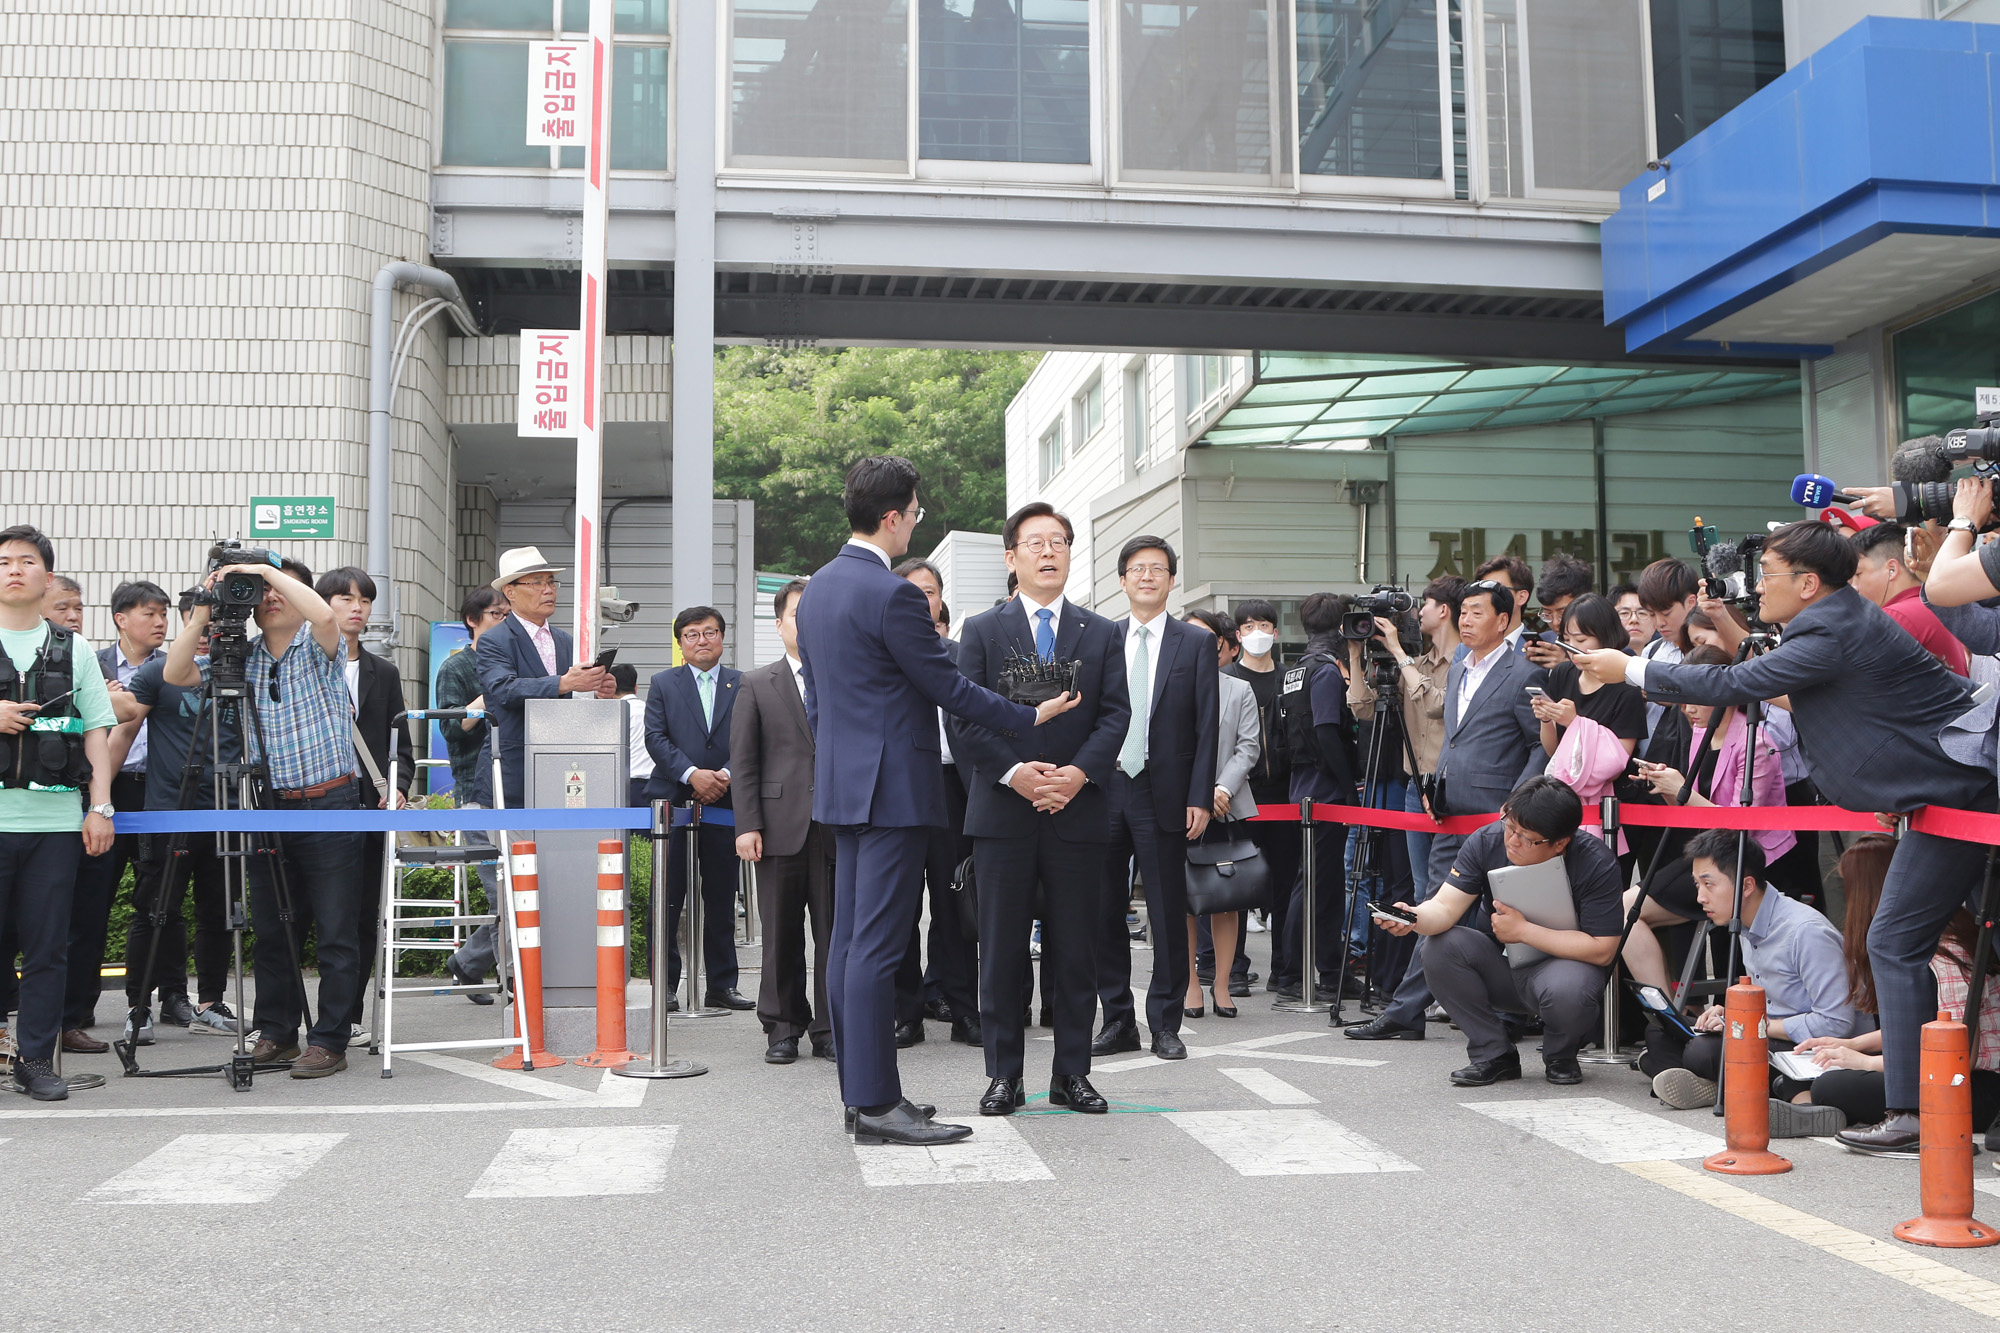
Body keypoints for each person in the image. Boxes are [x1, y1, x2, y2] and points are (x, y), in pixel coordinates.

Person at [1576, 520, 1992, 1156]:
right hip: (1950, 794)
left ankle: (1915, 1110)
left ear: (1807, 582)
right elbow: (1773, 677)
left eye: (1766, 575)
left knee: (1895, 940)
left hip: (1967, 792)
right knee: (1897, 940)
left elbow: (1738, 685)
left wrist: (1629, 669)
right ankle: (1914, 1109)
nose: (1757, 586)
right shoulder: (1832, 622)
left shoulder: (1833, 629)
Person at [795, 455, 1074, 1147]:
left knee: (848, 946)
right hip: (892, 788)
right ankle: (876, 1103)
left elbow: (822, 699)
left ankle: (867, 1096)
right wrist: (1027, 716)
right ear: (892, 517)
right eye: (914, 512)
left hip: (844, 787)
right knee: (877, 949)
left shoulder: (822, 587)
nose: (915, 521)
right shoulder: (890, 593)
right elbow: (944, 684)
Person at [955, 503, 1131, 1112]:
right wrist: (1015, 774)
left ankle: (1071, 1073)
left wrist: (1078, 775)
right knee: (1001, 949)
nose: (1048, 552)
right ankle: (1004, 1073)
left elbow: (1115, 715)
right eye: (1035, 543)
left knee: (1075, 948)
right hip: (1004, 813)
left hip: (1076, 810)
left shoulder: (1101, 631)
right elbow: (965, 718)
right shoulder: (980, 631)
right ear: (1012, 557)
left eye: (1058, 541)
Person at [164, 553, 363, 1079]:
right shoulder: (240, 657)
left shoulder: (321, 648)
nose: (271, 597)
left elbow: (324, 617)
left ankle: (330, 1041)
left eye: (281, 590)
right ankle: (277, 1032)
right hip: (269, 806)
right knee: (275, 930)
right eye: (261, 592)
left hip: (330, 804)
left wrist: (263, 570)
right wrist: (205, 609)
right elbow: (176, 672)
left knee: (337, 930)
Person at [1347, 579, 1545, 1042]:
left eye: (1479, 612)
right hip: (1449, 810)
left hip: (1499, 818)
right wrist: (1434, 787)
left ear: (1503, 620)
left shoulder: (1522, 672)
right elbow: (1451, 738)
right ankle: (1406, 1010)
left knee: (1502, 914)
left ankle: (1514, 1011)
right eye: (1465, 612)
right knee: (1435, 908)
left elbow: (1539, 746)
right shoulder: (1457, 670)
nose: (1469, 619)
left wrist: (1517, 805)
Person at [1374, 777, 1621, 1086]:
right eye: (1509, 826)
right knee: (1438, 946)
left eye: (1526, 838)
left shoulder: (1595, 862)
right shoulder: (1486, 840)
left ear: (1560, 842)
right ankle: (1493, 1053)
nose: (1512, 841)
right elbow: (1445, 908)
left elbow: (1603, 948)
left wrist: (1523, 930)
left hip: (1563, 972)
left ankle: (1561, 1054)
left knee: (1569, 988)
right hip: (1502, 967)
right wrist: (1413, 919)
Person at [0, 526, 117, 1100]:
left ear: (46, 577)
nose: (14, 570)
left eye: (26, 562)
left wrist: (100, 807)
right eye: (3, 562)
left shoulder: (73, 651)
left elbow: (97, 731)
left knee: (48, 948)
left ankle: (36, 1061)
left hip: (52, 824)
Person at [1641, 830, 1856, 1137]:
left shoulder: (1805, 932)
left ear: (1746, 886)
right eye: (1697, 885)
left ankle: (1722, 1083)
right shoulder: (1745, 923)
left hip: (1805, 1044)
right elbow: (1764, 1001)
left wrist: (1753, 1024)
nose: (1700, 897)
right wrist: (1726, 1014)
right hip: (1767, 1032)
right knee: (1660, 1029)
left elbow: (1836, 1023)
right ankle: (1720, 1084)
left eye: (1709, 884)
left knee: (1702, 1053)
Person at [1090, 535, 1214, 1061]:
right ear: (1121, 580)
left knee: (1165, 912)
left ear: (1170, 579)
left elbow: (1207, 725)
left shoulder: (1194, 642)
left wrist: (1200, 796)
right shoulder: (1100, 637)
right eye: (1136, 569)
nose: (1146, 576)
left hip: (1164, 792)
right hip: (1105, 785)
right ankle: (1117, 1019)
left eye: (1157, 569)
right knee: (1103, 910)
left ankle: (1166, 1023)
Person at [1796, 835, 2000, 1142]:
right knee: (1828, 1077)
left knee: (1832, 1086)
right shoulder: (1942, 931)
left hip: (1976, 1084)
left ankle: (1820, 1109)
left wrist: (1864, 1062)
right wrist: (1854, 1045)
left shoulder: (1944, 951)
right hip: (1954, 1077)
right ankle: (1815, 1109)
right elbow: (1920, 1024)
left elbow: (1959, 1055)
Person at [1618, 645, 1793, 993]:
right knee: (1623, 910)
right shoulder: (1701, 732)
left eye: (1696, 698)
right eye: (1684, 699)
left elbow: (1742, 825)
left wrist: (1681, 788)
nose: (1688, 709)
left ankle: (1672, 1011)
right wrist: (1665, 785)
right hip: (1709, 853)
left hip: (1748, 860)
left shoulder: (1755, 740)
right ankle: (1667, 1010)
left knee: (1627, 909)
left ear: (1724, 694)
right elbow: (1691, 810)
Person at [110, 604, 243, 1037]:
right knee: (153, 910)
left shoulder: (241, 671)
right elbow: (125, 733)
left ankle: (210, 1003)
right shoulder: (157, 673)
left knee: (219, 911)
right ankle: (138, 1007)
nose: (208, 630)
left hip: (224, 807)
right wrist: (96, 800)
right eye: (201, 620)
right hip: (166, 809)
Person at [59, 579, 167, 1055]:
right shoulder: (90, 664)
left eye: (165, 613)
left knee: (159, 901)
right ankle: (77, 1012)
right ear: (121, 618)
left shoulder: (173, 668)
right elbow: (112, 716)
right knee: (91, 904)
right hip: (105, 790)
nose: (161, 622)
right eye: (150, 613)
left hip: (159, 792)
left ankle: (160, 1002)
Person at [731, 579, 834, 1064]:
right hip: (776, 825)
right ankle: (783, 1025)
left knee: (836, 934)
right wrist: (747, 824)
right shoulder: (755, 683)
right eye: (797, 615)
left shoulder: (844, 676)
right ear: (779, 625)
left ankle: (832, 1028)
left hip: (838, 822)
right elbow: (745, 760)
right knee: (781, 933)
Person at [317, 567, 413, 1048]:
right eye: (344, 598)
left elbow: (402, 746)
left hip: (370, 802)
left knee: (361, 912)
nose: (357, 607)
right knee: (308, 911)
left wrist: (398, 786)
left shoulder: (384, 672)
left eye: (365, 600)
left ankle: (347, 1014)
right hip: (315, 801)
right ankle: (289, 1016)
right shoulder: (304, 665)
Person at [889, 557, 980, 1047]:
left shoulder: (964, 654)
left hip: (954, 791)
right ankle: (906, 1013)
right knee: (901, 909)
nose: (923, 600)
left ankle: (965, 1010)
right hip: (899, 789)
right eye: (912, 591)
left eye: (930, 592)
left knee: (958, 907)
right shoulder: (883, 654)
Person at [644, 607, 751, 1010]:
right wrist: (692, 775)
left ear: (723, 638)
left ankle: (721, 985)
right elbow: (655, 737)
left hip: (726, 802)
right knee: (667, 898)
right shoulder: (662, 684)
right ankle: (665, 986)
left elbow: (752, 738)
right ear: (680, 644)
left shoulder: (744, 684)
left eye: (710, 632)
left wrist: (722, 775)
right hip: (673, 801)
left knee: (722, 899)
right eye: (692, 634)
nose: (702, 640)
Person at [1267, 591, 1355, 1003]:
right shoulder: (1326, 673)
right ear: (1341, 628)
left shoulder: (1294, 671)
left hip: (1300, 786)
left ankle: (1327, 968)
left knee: (1319, 883)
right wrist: (1348, 785)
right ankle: (1293, 973)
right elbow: (1326, 730)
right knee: (1316, 885)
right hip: (1325, 790)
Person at [476, 546, 608, 809]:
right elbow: (504, 689)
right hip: (514, 767)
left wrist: (598, 687)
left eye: (551, 582)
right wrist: (564, 683)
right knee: (507, 847)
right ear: (509, 592)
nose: (548, 590)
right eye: (536, 583)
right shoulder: (494, 640)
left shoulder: (567, 641)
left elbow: (576, 696)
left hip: (565, 763)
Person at [1184, 607, 1258, 1020]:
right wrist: (1192, 793)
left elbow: (1248, 747)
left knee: (1228, 899)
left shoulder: (1237, 689)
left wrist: (1220, 789)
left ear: (1217, 643)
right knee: (1184, 898)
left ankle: (1224, 983)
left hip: (1226, 806)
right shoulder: (1168, 685)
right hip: (1179, 805)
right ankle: (1191, 983)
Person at [1229, 597, 1295, 989]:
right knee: (1235, 887)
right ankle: (1233, 969)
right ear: (1238, 635)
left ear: (1276, 631)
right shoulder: (1225, 678)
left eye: (1264, 625)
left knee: (1285, 885)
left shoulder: (1292, 678)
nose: (1258, 633)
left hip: (1285, 795)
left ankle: (1285, 970)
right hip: (1239, 795)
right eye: (1249, 627)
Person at [1848, 522, 1968, 675]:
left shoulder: (1896, 616)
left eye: (1858, 575)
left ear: (1892, 569)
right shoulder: (1933, 604)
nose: (1855, 587)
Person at [433, 587, 506, 808]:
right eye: (496, 614)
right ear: (472, 619)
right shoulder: (454, 667)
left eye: (509, 616)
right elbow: (451, 727)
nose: (504, 622)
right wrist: (492, 693)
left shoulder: (513, 665)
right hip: (475, 784)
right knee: (480, 843)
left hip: (517, 780)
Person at [1523, 553, 1594, 671]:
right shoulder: (1545, 642)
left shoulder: (1611, 649)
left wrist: (1567, 666)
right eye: (1547, 614)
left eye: (1562, 614)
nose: (1555, 622)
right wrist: (1528, 666)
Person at [608, 664, 650, 806]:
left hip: (622, 784)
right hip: (652, 785)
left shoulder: (612, 715)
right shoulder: (652, 711)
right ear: (636, 687)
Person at [1612, 582, 1656, 652]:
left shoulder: (1664, 659)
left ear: (1655, 625)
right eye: (1624, 613)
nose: (1634, 619)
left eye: (1642, 613)